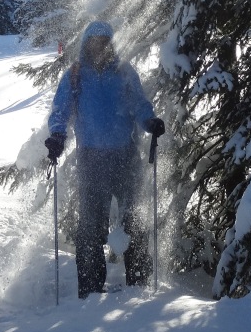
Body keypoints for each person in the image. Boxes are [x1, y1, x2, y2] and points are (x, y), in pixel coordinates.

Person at [45, 21, 165, 298]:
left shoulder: (124, 73)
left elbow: (140, 104)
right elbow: (60, 110)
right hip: (91, 160)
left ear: (111, 44)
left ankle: (139, 285)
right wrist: (57, 136)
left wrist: (150, 122)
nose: (99, 47)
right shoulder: (75, 75)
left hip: (125, 156)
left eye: (104, 42)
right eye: (94, 42)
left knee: (134, 220)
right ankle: (89, 289)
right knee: (90, 226)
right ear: (87, 45)